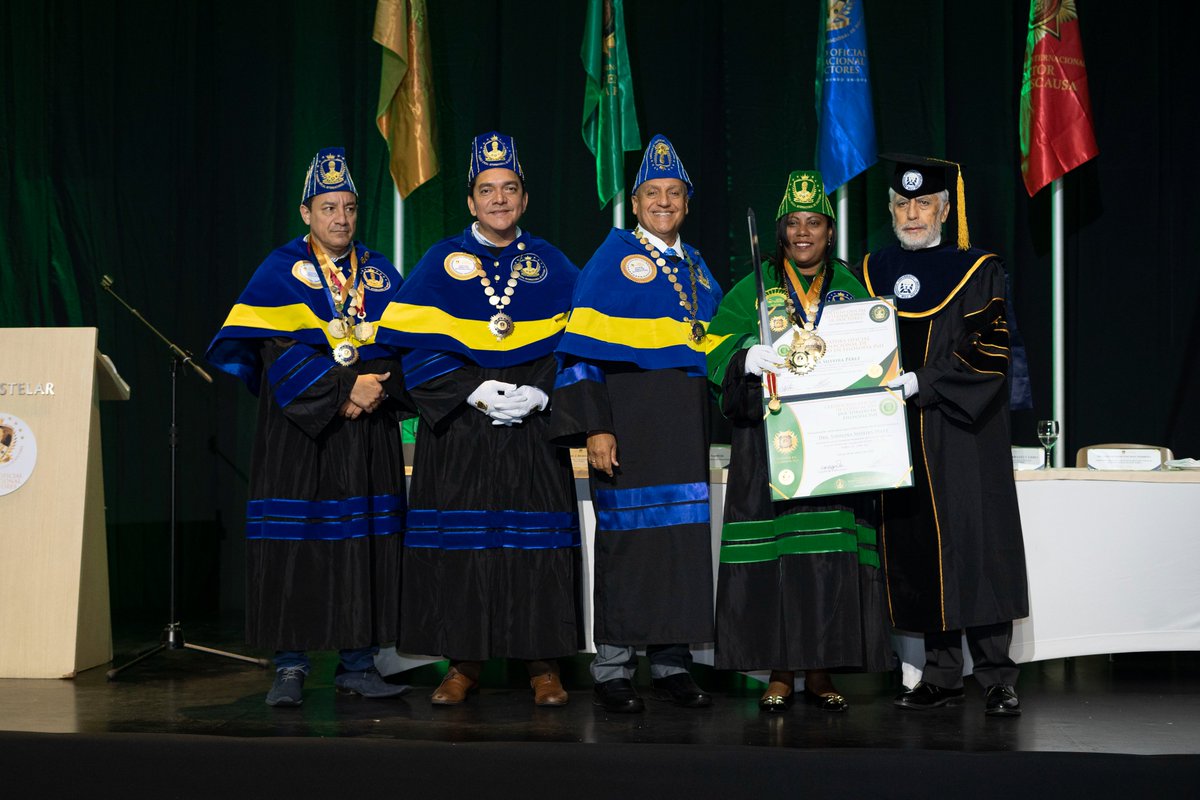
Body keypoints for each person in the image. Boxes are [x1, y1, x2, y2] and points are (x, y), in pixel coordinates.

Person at [374, 132, 581, 707]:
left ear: (524, 198)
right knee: (464, 551)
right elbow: (410, 346)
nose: (498, 199)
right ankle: (462, 664)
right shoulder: (440, 260)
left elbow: (578, 344)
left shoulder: (553, 263)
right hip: (461, 432)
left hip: (532, 434)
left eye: (508, 189)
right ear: (471, 202)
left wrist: (540, 394)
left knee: (534, 549)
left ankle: (542, 665)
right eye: (486, 190)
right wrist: (471, 390)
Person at [206, 147, 410, 707]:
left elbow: (408, 344)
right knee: (296, 546)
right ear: (306, 213)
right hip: (299, 437)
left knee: (361, 545)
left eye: (348, 207)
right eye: (328, 207)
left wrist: (373, 389)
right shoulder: (280, 270)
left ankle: (358, 663)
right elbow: (276, 348)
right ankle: (291, 667)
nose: (340, 218)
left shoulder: (379, 272)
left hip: (367, 437)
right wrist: (344, 391)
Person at [705, 170, 893, 712]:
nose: (804, 233)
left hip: (834, 445)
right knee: (778, 560)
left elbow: (875, 353)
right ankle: (780, 672)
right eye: (794, 223)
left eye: (814, 222)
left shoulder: (849, 288)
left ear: (829, 232)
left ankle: (821, 670)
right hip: (772, 442)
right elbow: (714, 346)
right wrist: (745, 353)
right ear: (782, 231)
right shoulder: (756, 287)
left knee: (826, 559)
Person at [550, 134, 722, 713]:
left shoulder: (695, 267)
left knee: (678, 546)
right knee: (628, 546)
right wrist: (596, 427)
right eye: (654, 193)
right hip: (628, 432)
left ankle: (673, 665)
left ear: (687, 202)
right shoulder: (611, 259)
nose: (664, 202)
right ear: (635, 202)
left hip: (684, 433)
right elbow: (579, 356)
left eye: (674, 193)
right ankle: (614, 667)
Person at [862, 154, 1029, 717]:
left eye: (924, 203)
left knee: (974, 544)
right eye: (903, 204)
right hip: (896, 435)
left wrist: (925, 382)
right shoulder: (870, 270)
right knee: (921, 549)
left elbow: (991, 352)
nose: (913, 214)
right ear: (891, 210)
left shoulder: (977, 268)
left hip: (961, 432)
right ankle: (940, 674)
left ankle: (997, 674)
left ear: (945, 208)